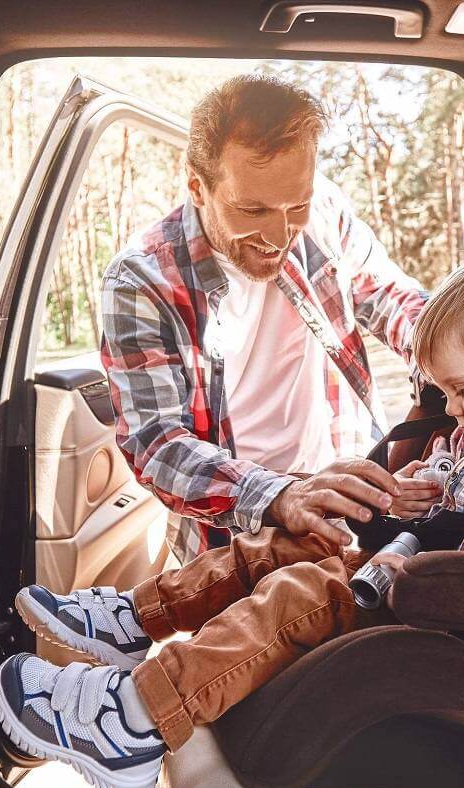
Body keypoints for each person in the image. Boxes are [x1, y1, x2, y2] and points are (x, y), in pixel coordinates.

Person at [0, 238, 464, 788]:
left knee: (298, 592)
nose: (454, 413)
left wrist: (418, 554)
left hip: (453, 617)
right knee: (282, 543)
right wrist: (415, 489)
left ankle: (134, 720)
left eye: (462, 390)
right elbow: (453, 478)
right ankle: (136, 618)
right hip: (403, 567)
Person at [97, 74, 433, 565]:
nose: (279, 235)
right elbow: (156, 444)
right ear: (198, 185)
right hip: (231, 533)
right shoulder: (141, 280)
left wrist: (458, 356)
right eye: (251, 208)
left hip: (350, 500)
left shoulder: (324, 215)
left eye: (295, 204)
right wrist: (279, 496)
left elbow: (392, 299)